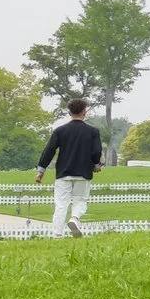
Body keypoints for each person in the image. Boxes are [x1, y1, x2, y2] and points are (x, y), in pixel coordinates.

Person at [34, 98, 104, 237]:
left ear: (70, 112)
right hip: (83, 173)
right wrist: (96, 165)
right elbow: (96, 151)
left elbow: (49, 150)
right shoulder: (92, 131)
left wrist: (41, 170)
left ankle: (57, 235)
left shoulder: (60, 131)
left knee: (61, 205)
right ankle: (74, 218)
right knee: (80, 200)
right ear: (84, 112)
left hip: (63, 173)